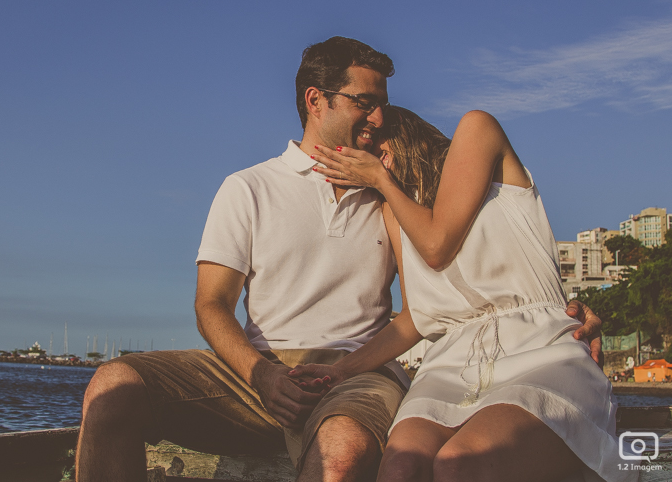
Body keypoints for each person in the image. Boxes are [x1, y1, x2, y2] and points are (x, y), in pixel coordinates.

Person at [75, 38, 602, 482]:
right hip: (254, 371)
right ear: (315, 100)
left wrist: (561, 309)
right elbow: (211, 305)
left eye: (382, 106)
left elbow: (446, 289)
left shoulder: (391, 197)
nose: (378, 118)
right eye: (363, 102)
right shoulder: (248, 188)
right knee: (111, 386)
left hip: (356, 375)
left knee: (343, 452)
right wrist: (261, 375)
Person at [295, 106, 630, 481]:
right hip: (449, 365)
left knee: (458, 463)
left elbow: (437, 247)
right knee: (401, 467)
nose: (371, 156)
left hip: (539, 350)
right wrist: (339, 372)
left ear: (409, 131)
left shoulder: (477, 131)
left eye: (376, 141)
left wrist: (382, 180)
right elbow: (416, 318)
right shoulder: (395, 213)